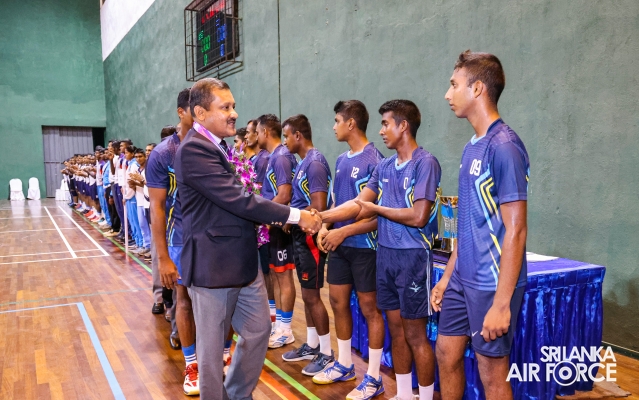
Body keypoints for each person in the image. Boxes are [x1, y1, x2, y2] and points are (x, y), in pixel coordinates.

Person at [174, 77, 321, 400]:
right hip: (213, 268)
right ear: (200, 113)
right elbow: (240, 201)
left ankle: (237, 394)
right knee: (211, 354)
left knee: (258, 331)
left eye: (234, 106)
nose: (234, 114)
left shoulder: (218, 146)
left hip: (242, 263)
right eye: (225, 107)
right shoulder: (194, 150)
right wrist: (298, 216)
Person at [321, 100, 441, 400]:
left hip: (413, 257)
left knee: (415, 335)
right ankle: (404, 394)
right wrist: (320, 217)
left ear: (404, 126)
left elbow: (419, 216)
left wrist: (376, 208)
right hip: (386, 256)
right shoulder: (385, 166)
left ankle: (425, 396)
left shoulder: (426, 163)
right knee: (396, 331)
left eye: (386, 123)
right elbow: (358, 204)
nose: (381, 130)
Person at [432, 50, 529, 400]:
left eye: (454, 85)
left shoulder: (505, 147)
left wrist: (502, 304)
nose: (448, 94)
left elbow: (516, 230)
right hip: (462, 278)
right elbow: (468, 223)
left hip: (491, 283)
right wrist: (447, 277)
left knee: (492, 373)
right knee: (446, 352)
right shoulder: (471, 147)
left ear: (476, 89)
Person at [313, 100, 387, 400]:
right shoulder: (341, 160)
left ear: (351, 123)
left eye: (337, 121)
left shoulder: (376, 160)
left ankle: (374, 377)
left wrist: (342, 231)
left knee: (370, 309)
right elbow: (336, 204)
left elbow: (377, 216)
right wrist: (324, 227)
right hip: (338, 246)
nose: (334, 127)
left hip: (364, 247)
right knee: (337, 301)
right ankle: (344, 364)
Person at [147, 89, 200, 395]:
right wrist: (163, 257)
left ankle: (220, 356)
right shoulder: (163, 154)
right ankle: (191, 365)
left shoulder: (215, 146)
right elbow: (156, 207)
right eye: (196, 109)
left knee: (219, 303)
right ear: (182, 112)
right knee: (184, 300)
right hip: (179, 239)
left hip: (213, 240)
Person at [279, 114, 335, 376]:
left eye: (287, 136)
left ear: (298, 135)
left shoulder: (315, 163)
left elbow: (319, 207)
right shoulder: (303, 162)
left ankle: (327, 353)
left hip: (311, 237)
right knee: (307, 294)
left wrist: (295, 219)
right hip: (300, 236)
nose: (285, 141)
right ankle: (313, 345)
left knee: (312, 296)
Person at [256, 114, 299, 349]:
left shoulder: (281, 157)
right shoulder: (275, 156)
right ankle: (278, 325)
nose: (255, 136)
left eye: (257, 132)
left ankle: (286, 329)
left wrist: (262, 215)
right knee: (275, 275)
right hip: (273, 225)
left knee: (283, 277)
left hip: (281, 225)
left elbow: (284, 194)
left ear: (265, 132)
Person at [129, 148, 151, 257]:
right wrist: (134, 184)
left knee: (149, 226)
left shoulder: (149, 168)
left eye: (140, 156)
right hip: (139, 200)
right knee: (142, 224)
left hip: (148, 200)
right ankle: (146, 246)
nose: (138, 159)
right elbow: (141, 184)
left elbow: (150, 184)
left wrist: (139, 181)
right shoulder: (138, 169)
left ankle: (152, 248)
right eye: (136, 157)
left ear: (145, 157)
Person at [123, 145, 144, 252]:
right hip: (130, 197)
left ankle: (141, 243)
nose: (125, 155)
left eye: (127, 153)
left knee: (137, 222)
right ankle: (137, 241)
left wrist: (127, 196)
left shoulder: (134, 165)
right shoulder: (130, 164)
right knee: (133, 221)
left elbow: (133, 184)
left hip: (133, 198)